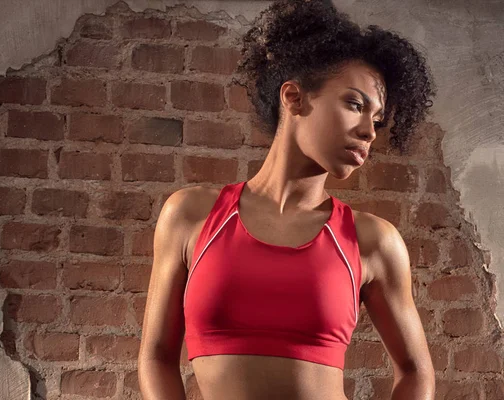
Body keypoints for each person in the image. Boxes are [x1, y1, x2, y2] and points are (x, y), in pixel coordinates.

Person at [137, 1, 437, 399]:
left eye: (377, 120)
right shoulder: (192, 216)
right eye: (355, 104)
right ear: (294, 98)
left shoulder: (373, 241)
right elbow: (157, 357)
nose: (369, 132)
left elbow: (417, 373)